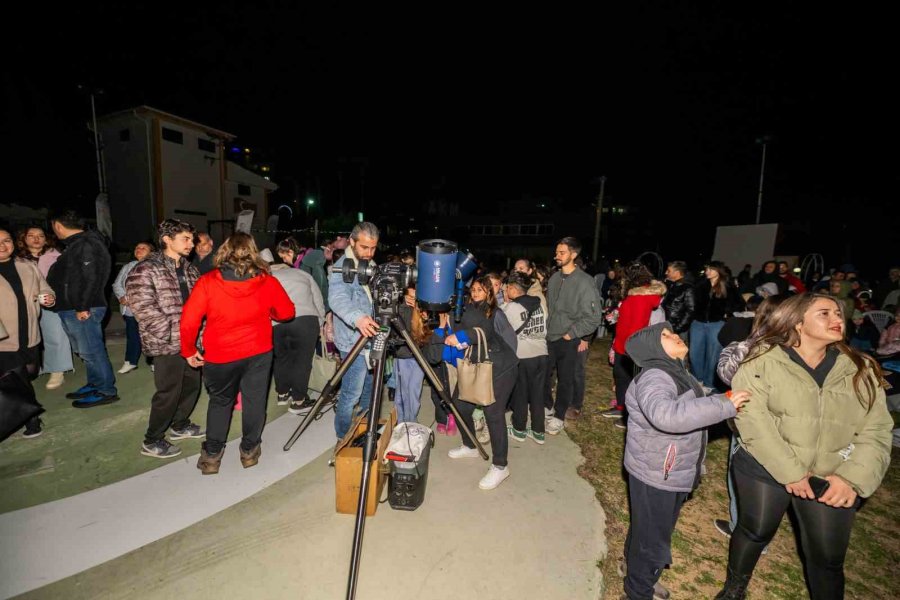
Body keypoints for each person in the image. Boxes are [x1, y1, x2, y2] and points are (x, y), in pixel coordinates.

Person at [715, 293, 894, 600]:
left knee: (827, 557)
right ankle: (734, 588)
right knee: (755, 529)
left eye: (838, 313)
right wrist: (792, 472)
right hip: (766, 464)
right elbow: (753, 421)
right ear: (797, 322)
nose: (838, 319)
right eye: (824, 313)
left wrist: (852, 478)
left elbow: (876, 429)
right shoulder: (762, 361)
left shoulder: (860, 368)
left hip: (832, 472)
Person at [620, 322, 748, 600]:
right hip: (657, 472)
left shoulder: (675, 371)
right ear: (653, 348)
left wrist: (716, 399)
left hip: (662, 468)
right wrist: (724, 404)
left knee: (648, 527)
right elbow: (666, 415)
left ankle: (634, 571)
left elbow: (692, 401)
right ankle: (637, 591)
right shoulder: (656, 376)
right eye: (664, 336)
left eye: (671, 331)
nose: (675, 335)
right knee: (652, 539)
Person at [181, 233, 294, 474]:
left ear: (224, 251)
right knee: (254, 401)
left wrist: (189, 350)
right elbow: (286, 313)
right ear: (253, 252)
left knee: (220, 402)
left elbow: (189, 320)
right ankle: (249, 451)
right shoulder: (267, 281)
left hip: (220, 355)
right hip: (258, 352)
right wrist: (268, 312)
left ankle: (212, 456)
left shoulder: (208, 281)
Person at [127, 220, 205, 459]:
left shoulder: (191, 268)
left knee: (192, 386)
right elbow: (145, 311)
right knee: (169, 392)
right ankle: (152, 440)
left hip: (192, 342)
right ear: (167, 239)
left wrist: (199, 336)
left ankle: (180, 425)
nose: (192, 244)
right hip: (166, 343)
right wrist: (183, 340)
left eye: (192, 239)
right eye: (186, 239)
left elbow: (201, 305)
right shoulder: (145, 269)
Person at [435, 275, 519, 490]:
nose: (475, 293)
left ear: (489, 292)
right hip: (479, 364)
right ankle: (470, 445)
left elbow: (484, 330)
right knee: (459, 404)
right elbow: (457, 326)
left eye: (480, 290)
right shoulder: (467, 308)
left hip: (501, 367)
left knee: (493, 413)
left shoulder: (494, 312)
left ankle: (501, 466)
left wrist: (463, 336)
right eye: (473, 289)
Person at [714, 296, 785, 540]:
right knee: (775, 476)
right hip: (786, 421)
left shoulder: (757, 342)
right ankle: (761, 536)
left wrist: (731, 349)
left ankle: (741, 529)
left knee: (744, 473)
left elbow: (727, 373)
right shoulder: (803, 343)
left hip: (753, 417)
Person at [46, 210, 118, 407]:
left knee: (92, 351)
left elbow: (91, 277)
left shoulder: (86, 244)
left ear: (58, 226)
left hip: (83, 308)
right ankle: (95, 383)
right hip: (74, 307)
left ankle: (106, 390)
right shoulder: (78, 244)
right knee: (85, 351)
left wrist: (82, 306)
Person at [0, 228, 56, 437]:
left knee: (31, 372)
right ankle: (31, 420)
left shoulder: (27, 266)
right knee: (19, 378)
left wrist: (48, 297)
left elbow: (45, 288)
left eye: (6, 240)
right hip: (3, 338)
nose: (3, 246)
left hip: (30, 331)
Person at [328, 222, 380, 439]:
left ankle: (366, 430)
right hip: (353, 342)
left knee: (371, 390)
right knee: (351, 394)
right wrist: (357, 318)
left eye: (373, 248)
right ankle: (343, 436)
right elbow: (337, 299)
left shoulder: (368, 263)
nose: (369, 253)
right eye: (364, 248)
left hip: (372, 338)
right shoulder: (343, 267)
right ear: (351, 242)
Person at [545, 237, 602, 433]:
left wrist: (573, 334)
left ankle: (559, 415)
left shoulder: (585, 282)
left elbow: (594, 318)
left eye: (562, 253)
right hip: (549, 336)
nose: (557, 256)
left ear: (573, 255)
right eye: (557, 252)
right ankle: (547, 406)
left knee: (566, 378)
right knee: (544, 374)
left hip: (568, 339)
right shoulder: (554, 279)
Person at [261, 248, 326, 414]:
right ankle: (299, 400)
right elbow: (317, 299)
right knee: (302, 361)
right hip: (305, 319)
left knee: (281, 358)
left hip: (276, 323)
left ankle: (282, 394)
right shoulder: (302, 274)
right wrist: (320, 321)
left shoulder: (264, 279)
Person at [602, 262, 667, 428]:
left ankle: (631, 415)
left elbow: (637, 326)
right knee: (621, 376)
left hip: (631, 347)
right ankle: (621, 407)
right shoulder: (633, 294)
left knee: (632, 381)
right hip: (622, 344)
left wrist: (632, 348)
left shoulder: (642, 297)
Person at [17, 226, 72, 389]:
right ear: (24, 239)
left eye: (40, 235)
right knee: (29, 338)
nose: (36, 239)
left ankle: (58, 370)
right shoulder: (16, 260)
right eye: (31, 235)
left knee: (55, 336)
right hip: (25, 305)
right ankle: (34, 368)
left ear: (46, 239)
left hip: (51, 302)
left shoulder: (56, 256)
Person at [502, 271, 548, 444]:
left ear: (513, 289)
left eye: (507, 289)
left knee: (520, 393)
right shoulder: (540, 304)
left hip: (523, 356)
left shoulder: (512, 308)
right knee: (537, 394)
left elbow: (503, 331)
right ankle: (538, 432)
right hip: (542, 354)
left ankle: (519, 429)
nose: (505, 293)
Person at [689, 261, 743, 388]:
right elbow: (692, 302)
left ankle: (709, 383)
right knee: (694, 353)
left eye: (711, 269)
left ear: (718, 271)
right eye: (707, 269)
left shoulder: (727, 286)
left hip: (716, 324)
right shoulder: (700, 284)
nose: (707, 271)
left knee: (713, 355)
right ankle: (698, 380)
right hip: (698, 323)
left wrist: (725, 312)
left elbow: (739, 304)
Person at [112, 241, 154, 374]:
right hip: (130, 309)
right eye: (137, 247)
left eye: (143, 248)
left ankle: (154, 362)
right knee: (132, 335)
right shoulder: (128, 266)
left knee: (151, 336)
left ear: (151, 252)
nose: (139, 250)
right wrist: (122, 296)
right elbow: (117, 284)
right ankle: (130, 361)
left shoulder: (155, 266)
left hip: (149, 309)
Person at [392, 286, 429, 423]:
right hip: (402, 355)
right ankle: (401, 421)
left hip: (419, 356)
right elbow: (395, 331)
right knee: (402, 392)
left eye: (416, 297)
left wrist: (423, 316)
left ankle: (411, 420)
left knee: (414, 390)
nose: (413, 300)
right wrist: (404, 308)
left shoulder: (423, 309)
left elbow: (428, 334)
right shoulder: (399, 309)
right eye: (410, 297)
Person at [660, 260, 696, 342]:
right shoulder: (671, 285)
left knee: (676, 353)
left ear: (677, 273)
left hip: (677, 329)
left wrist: (678, 328)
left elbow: (691, 310)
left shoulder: (688, 288)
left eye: (668, 271)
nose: (666, 273)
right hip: (666, 325)